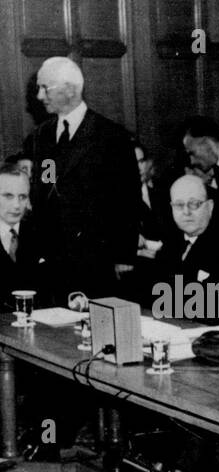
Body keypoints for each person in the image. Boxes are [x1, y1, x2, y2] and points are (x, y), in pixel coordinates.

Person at [25, 56, 138, 298]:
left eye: (45, 88)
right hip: (54, 259)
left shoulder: (111, 136)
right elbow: (46, 188)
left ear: (71, 88)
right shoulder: (42, 136)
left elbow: (127, 200)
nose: (39, 97)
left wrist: (123, 256)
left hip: (97, 259)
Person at [154, 173, 219, 288]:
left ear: (210, 206)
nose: (186, 212)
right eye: (179, 205)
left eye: (193, 204)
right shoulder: (170, 243)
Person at [0, 163, 38, 296]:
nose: (16, 205)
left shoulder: (38, 233)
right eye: (8, 196)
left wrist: (74, 298)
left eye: (22, 197)